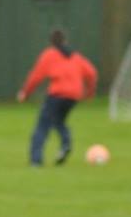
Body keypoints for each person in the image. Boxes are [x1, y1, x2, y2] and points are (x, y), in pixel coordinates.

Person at [17, 29, 98, 167]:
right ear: (65, 41)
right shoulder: (75, 56)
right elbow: (92, 73)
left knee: (42, 126)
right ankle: (66, 145)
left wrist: (25, 93)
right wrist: (90, 92)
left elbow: (36, 76)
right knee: (59, 121)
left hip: (57, 94)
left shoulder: (49, 55)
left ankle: (36, 160)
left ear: (51, 42)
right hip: (73, 96)